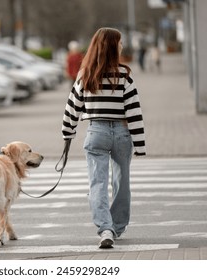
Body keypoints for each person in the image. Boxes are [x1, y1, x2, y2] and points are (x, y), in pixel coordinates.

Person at [61, 27, 146, 249]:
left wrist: (68, 134)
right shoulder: (125, 76)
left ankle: (105, 228)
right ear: (111, 47)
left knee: (97, 183)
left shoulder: (85, 75)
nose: (122, 46)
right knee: (121, 182)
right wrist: (140, 143)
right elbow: (134, 112)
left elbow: (72, 109)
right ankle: (117, 226)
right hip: (121, 132)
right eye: (119, 43)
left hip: (96, 132)